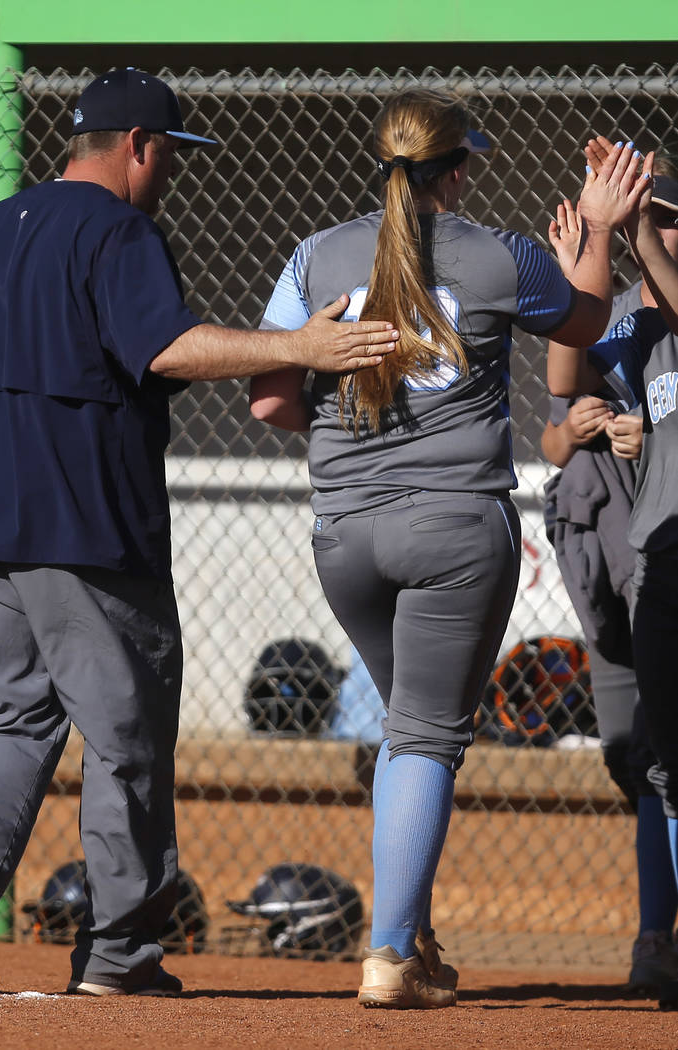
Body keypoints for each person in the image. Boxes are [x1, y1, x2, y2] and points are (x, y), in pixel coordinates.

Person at [0, 67, 401, 998]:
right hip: (82, 524)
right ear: (136, 146)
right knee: (123, 732)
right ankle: (121, 954)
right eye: (168, 155)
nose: (168, 173)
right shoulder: (120, 229)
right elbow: (163, 345)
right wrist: (298, 347)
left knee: (4, 712)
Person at [250, 88, 648, 1009]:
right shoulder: (496, 252)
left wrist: (346, 437)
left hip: (343, 527)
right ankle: (389, 954)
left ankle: (413, 937)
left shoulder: (315, 255)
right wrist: (592, 224)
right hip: (453, 526)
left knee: (407, 731)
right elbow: (587, 321)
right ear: (457, 168)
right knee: (428, 736)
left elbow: (272, 401)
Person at [542, 153, 678, 994]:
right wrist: (583, 266)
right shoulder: (632, 316)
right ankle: (657, 940)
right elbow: (563, 383)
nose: (648, 221)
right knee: (660, 762)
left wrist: (632, 236)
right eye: (645, 211)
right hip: (661, 554)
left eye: (660, 214)